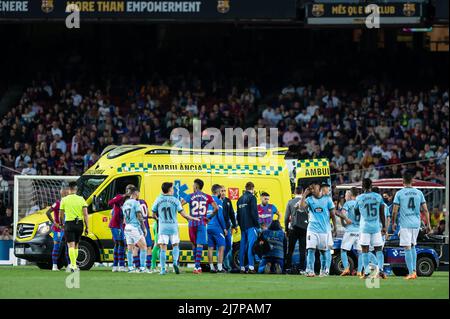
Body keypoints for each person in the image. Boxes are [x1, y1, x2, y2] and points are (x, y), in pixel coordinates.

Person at [152, 182, 199, 275]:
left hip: (163, 228)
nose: (173, 190)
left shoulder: (158, 199)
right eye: (172, 188)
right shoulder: (175, 200)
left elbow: (153, 214)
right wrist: (192, 218)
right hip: (173, 227)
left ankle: (163, 269)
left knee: (163, 248)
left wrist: (158, 219)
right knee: (175, 245)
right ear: (169, 190)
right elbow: (183, 213)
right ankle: (174, 262)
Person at [392, 172, 431, 280]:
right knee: (413, 246)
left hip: (405, 224)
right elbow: (426, 210)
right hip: (416, 224)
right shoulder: (419, 193)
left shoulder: (399, 193)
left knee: (407, 247)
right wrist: (428, 224)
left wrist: (393, 222)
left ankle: (411, 272)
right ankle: (414, 271)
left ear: (403, 181)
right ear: (412, 181)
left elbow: (395, 211)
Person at [298, 182, 337, 277]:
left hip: (324, 230)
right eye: (310, 188)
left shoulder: (327, 199)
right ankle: (309, 270)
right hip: (312, 229)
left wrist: (335, 228)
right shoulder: (309, 199)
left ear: (319, 188)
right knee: (310, 250)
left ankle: (324, 270)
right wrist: (304, 195)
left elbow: (333, 215)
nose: (311, 190)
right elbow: (301, 207)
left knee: (323, 252)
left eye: (313, 188)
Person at [182, 178, 218, 274]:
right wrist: (209, 218)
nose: (192, 187)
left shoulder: (190, 196)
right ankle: (197, 267)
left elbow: (180, 205)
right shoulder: (208, 197)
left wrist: (187, 217)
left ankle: (196, 266)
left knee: (194, 244)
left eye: (193, 185)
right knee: (200, 244)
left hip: (192, 223)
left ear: (196, 186)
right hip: (202, 222)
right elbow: (216, 208)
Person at [355, 178, 387, 279]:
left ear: (362, 187)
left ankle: (367, 273)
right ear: (371, 186)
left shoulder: (359, 198)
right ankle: (381, 270)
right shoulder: (378, 197)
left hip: (364, 227)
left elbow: (356, 212)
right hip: (376, 227)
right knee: (378, 249)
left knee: (365, 250)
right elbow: (382, 212)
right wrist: (385, 226)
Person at [59, 181, 89, 272]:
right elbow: (85, 214)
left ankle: (73, 265)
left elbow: (61, 214)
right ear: (76, 189)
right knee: (76, 245)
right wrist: (87, 227)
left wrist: (61, 223)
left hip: (69, 223)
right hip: (79, 224)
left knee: (70, 246)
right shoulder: (81, 199)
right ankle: (74, 264)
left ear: (69, 189)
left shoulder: (64, 200)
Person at [122, 186, 149, 273]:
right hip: (134, 227)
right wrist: (144, 228)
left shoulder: (125, 203)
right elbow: (139, 215)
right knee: (144, 246)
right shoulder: (136, 203)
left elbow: (124, 218)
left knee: (130, 248)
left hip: (127, 227)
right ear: (136, 193)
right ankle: (142, 268)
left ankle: (130, 268)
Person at [108, 184, 134, 272]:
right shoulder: (119, 197)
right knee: (120, 243)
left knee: (120, 243)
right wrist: (122, 196)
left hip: (122, 225)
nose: (129, 192)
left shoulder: (131, 201)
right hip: (115, 224)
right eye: (129, 190)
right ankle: (119, 265)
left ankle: (116, 265)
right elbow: (110, 203)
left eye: (131, 191)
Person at [236, 182, 259, 274]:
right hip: (251, 226)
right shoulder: (252, 198)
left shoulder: (240, 199)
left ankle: (241, 267)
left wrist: (240, 225)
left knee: (242, 247)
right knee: (251, 246)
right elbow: (254, 212)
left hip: (243, 226)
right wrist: (257, 224)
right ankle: (251, 267)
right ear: (252, 188)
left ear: (245, 188)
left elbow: (238, 215)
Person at [284, 186, 308, 274]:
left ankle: (288, 268)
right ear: (302, 192)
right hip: (304, 228)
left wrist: (286, 229)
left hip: (293, 228)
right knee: (303, 249)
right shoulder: (306, 202)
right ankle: (302, 269)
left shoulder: (290, 202)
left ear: (294, 192)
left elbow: (286, 217)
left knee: (290, 249)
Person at [338, 188, 361, 276]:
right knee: (360, 252)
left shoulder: (348, 204)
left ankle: (346, 268)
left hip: (350, 230)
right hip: (359, 231)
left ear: (351, 195)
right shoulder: (360, 204)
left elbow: (343, 214)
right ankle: (359, 271)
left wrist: (345, 219)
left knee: (343, 250)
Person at [46, 187, 69, 271]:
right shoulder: (57, 203)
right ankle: (54, 265)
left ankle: (69, 265)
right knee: (57, 246)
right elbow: (48, 212)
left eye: (67, 193)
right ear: (61, 193)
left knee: (68, 246)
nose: (66, 194)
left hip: (66, 228)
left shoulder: (69, 204)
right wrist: (54, 223)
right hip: (58, 228)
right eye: (64, 193)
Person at [207, 184, 228, 273]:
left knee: (210, 247)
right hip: (216, 227)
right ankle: (219, 267)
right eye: (220, 191)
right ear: (218, 192)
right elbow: (220, 216)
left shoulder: (207, 200)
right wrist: (224, 228)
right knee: (221, 247)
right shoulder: (218, 201)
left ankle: (211, 267)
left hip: (208, 226)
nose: (221, 193)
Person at [220, 185, 238, 271]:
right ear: (219, 192)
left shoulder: (227, 201)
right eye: (222, 191)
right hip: (219, 228)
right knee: (220, 246)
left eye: (224, 191)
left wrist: (235, 225)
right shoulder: (216, 201)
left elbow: (231, 214)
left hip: (227, 227)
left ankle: (222, 262)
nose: (223, 192)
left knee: (228, 247)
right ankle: (221, 265)